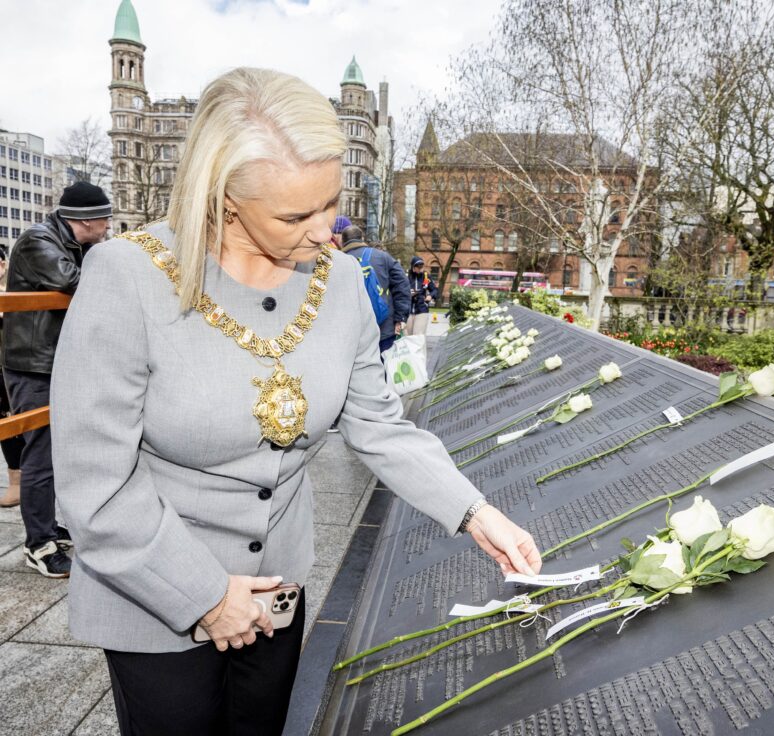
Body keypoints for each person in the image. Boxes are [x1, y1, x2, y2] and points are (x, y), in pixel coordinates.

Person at [50, 67, 540, 736]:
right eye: (295, 215)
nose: (326, 233)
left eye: (329, 204)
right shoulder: (125, 275)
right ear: (223, 197)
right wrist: (206, 595)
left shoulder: (339, 283)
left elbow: (378, 425)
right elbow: (94, 480)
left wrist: (477, 513)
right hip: (154, 591)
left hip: (277, 592)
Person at [3, 181, 111, 576]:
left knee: (59, 451)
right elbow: (72, 281)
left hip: (57, 360)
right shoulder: (37, 240)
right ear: (87, 220)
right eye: (105, 218)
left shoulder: (76, 244)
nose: (109, 226)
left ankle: (47, 526)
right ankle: (39, 544)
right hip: (32, 363)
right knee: (41, 453)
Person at [337, 224, 410, 354]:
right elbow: (402, 285)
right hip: (384, 327)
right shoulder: (382, 257)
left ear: (343, 241)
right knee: (384, 367)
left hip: (351, 333)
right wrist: (400, 318)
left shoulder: (336, 261)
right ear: (362, 238)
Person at [0, 254, 25, 508]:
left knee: (15, 418)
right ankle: (15, 481)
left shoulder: (16, 292)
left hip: (15, 366)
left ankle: (23, 482)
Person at [406, 256, 438, 338]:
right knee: (407, 336)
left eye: (422, 266)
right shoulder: (406, 277)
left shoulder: (426, 276)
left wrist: (430, 296)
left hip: (422, 309)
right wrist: (409, 294)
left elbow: (434, 290)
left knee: (418, 336)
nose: (421, 268)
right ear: (413, 267)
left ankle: (419, 351)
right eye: (419, 266)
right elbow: (400, 291)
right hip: (408, 310)